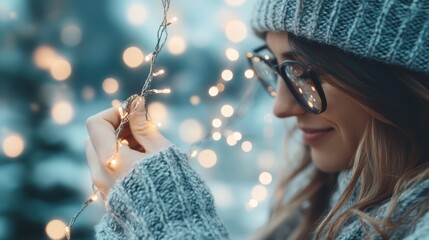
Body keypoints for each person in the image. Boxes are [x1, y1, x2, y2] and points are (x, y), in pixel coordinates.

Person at [85, 0, 429, 239]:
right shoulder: (312, 213)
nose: (280, 107)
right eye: (276, 68)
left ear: (395, 82)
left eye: (306, 74)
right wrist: (134, 218)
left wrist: (169, 217)